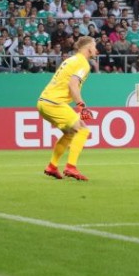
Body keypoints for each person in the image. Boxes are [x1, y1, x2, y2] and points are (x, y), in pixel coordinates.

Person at [37, 36, 97, 181]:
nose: (96, 50)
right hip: (54, 102)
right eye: (94, 46)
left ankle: (52, 166)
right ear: (89, 48)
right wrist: (82, 106)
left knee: (70, 133)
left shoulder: (71, 59)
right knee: (82, 129)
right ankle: (71, 167)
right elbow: (73, 84)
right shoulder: (83, 63)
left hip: (44, 102)